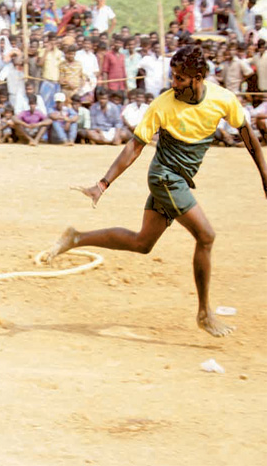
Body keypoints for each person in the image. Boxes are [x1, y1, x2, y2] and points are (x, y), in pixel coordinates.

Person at [44, 46, 267, 337]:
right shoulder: (162, 104)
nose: (173, 83)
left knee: (142, 243)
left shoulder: (223, 100)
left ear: (198, 78)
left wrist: (264, 175)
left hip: (177, 182)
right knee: (206, 236)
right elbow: (134, 146)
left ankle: (76, 237)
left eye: (180, 78)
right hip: (165, 178)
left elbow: (248, 134)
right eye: (172, 76)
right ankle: (204, 313)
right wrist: (102, 184)